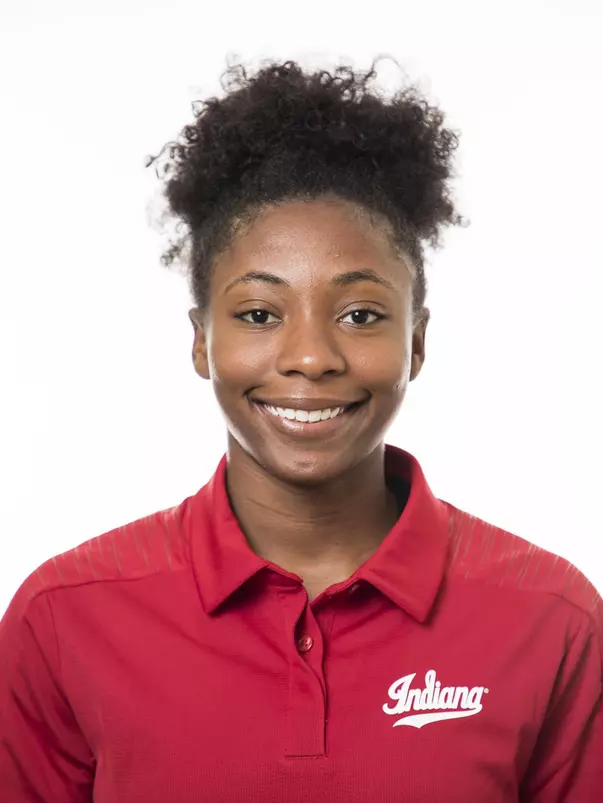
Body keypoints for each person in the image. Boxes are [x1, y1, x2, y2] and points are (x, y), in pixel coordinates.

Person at [1, 57, 601, 803]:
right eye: (258, 313)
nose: (311, 356)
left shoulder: (549, 616)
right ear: (200, 341)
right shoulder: (65, 615)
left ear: (416, 341)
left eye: (360, 315)